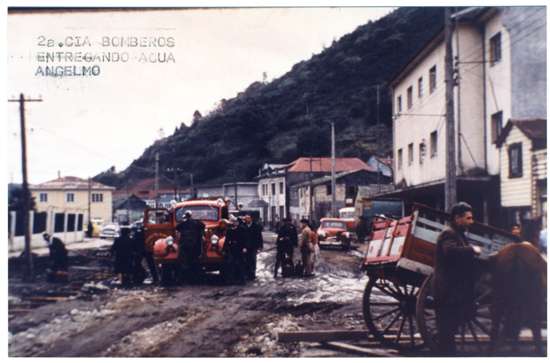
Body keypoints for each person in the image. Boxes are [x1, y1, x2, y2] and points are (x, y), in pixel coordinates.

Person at [431, 202, 483, 356]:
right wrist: (472, 250)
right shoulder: (448, 233)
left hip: (452, 294)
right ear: (457, 218)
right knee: (447, 338)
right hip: (446, 294)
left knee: (448, 333)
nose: (471, 221)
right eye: (468, 218)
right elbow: (450, 251)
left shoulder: (458, 234)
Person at [175, 210, 205, 284]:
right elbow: (203, 226)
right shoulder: (195, 223)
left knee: (184, 263)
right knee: (192, 262)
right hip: (193, 245)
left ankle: (184, 279)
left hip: (184, 245)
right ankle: (193, 279)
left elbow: (177, 227)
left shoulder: (182, 224)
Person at [222, 216, 248, 285]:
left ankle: (242, 280)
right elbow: (226, 240)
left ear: (236, 222)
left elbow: (245, 239)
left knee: (241, 264)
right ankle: (231, 280)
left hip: (240, 249)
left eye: (232, 223)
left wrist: (245, 247)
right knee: (231, 264)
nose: (231, 224)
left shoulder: (242, 229)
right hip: (232, 249)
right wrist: (224, 249)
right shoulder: (229, 230)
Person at [243, 213, 263, 281]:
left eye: (248, 218)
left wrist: (260, 245)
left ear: (251, 219)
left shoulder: (256, 226)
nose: (247, 219)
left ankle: (252, 275)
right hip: (245, 247)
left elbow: (259, 236)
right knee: (245, 260)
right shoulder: (243, 226)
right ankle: (246, 274)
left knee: (252, 260)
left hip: (253, 246)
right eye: (246, 218)